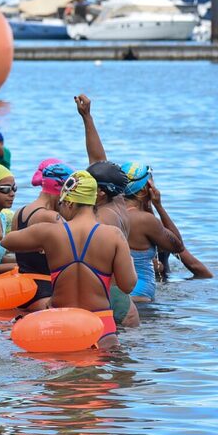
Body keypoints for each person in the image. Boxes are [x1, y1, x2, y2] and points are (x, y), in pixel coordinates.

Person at [2, 171, 137, 349]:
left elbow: (7, 241)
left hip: (61, 323)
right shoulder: (113, 235)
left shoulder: (49, 232)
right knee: (102, 374)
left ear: (69, 202)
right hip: (99, 324)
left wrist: (41, 245)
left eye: (61, 204)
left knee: (60, 374)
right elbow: (127, 285)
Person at [75, 94, 139, 325]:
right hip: (124, 302)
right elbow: (98, 159)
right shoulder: (118, 199)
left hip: (107, 298)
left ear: (100, 191)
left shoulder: (99, 220)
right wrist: (87, 117)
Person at [10, 159, 71, 311]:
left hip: (22, 290)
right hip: (45, 292)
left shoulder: (19, 213)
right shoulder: (52, 218)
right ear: (61, 189)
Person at [122, 163, 189, 302]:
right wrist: (158, 205)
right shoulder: (145, 220)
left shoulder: (111, 213)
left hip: (118, 296)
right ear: (143, 190)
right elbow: (178, 245)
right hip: (139, 299)